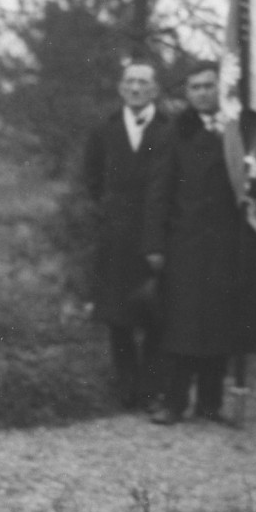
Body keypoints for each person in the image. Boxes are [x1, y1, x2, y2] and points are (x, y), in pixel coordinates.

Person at [142, 62, 256, 425]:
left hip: (230, 244)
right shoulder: (174, 133)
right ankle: (175, 401)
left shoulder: (240, 132)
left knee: (220, 326)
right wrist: (154, 244)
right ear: (187, 93)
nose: (201, 93)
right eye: (194, 87)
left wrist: (252, 177)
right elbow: (158, 192)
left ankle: (210, 403)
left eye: (208, 86)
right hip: (187, 244)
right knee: (182, 328)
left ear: (220, 89)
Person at [78, 59, 168, 411]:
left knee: (155, 313)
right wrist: (112, 212)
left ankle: (151, 389)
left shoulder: (169, 128)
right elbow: (93, 179)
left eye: (143, 83)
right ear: (120, 88)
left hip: (156, 235)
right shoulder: (104, 130)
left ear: (155, 90)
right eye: (129, 82)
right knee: (118, 316)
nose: (135, 89)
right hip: (116, 235)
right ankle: (126, 388)